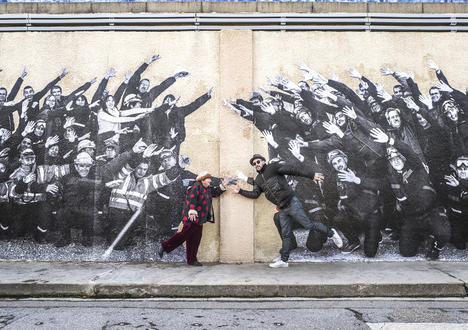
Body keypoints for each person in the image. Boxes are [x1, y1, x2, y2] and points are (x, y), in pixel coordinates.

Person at [230, 154, 343, 268]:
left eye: (258, 162)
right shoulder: (259, 180)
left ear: (263, 161)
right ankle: (284, 261)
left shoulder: (273, 168)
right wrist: (240, 191)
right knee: (286, 234)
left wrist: (311, 175)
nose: (256, 164)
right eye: (254, 164)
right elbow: (255, 194)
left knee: (308, 224)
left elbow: (292, 170)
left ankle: (331, 233)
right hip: (282, 207)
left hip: (291, 202)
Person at [158, 171, 228, 266]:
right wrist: (192, 211)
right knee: (183, 235)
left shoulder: (207, 189)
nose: (210, 180)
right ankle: (164, 246)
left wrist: (223, 186)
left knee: (195, 239)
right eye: (208, 178)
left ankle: (192, 260)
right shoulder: (196, 187)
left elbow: (215, 193)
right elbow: (191, 199)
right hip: (191, 217)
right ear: (202, 179)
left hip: (200, 219)